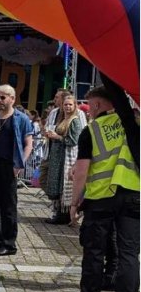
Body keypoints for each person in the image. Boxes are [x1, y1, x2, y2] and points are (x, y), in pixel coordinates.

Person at [63, 85, 139, 292]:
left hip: (100, 198)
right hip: (133, 195)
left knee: (94, 252)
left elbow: (82, 171)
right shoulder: (135, 123)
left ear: (95, 105)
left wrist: (75, 203)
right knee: (129, 254)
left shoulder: (93, 130)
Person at [0, 84, 34, 256]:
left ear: (12, 98)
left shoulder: (21, 118)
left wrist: (19, 164)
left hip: (9, 166)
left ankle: (9, 243)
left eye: (3, 97)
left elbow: (28, 145)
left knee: (8, 206)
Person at [43, 88, 88, 223]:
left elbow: (74, 140)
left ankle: (64, 215)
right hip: (57, 156)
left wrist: (57, 137)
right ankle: (59, 213)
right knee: (55, 185)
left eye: (70, 104)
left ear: (74, 106)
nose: (67, 107)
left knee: (64, 186)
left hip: (67, 156)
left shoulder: (75, 120)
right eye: (65, 104)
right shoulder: (61, 117)